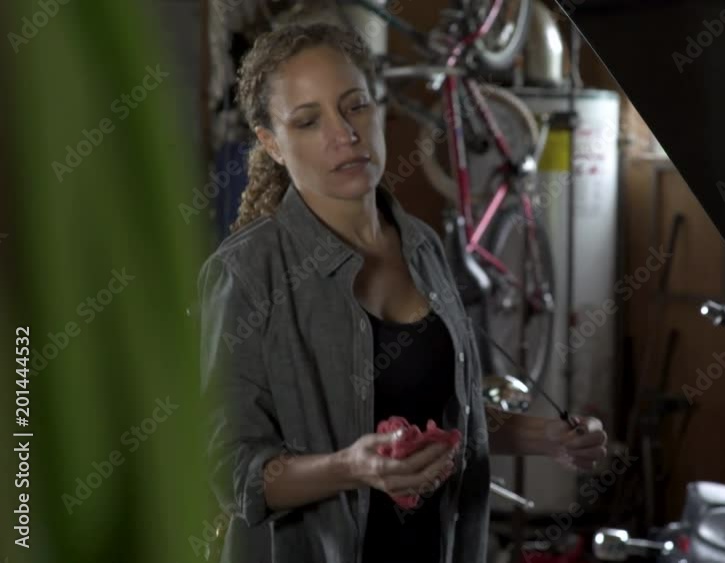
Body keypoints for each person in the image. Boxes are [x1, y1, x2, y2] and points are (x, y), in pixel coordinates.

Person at [198, 22, 608, 563]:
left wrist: (546, 437)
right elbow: (228, 471)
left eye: (356, 106)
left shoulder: (422, 246)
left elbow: (442, 411)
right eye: (308, 120)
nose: (345, 134)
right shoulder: (248, 273)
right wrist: (350, 468)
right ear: (272, 143)